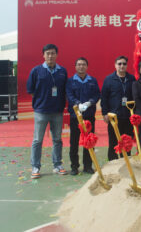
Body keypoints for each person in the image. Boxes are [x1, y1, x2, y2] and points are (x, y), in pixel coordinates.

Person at [27, 44, 68, 179]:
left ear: (57, 55)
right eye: (48, 53)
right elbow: (31, 90)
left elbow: (64, 90)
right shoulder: (36, 71)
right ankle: (35, 167)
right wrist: (41, 102)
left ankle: (57, 165)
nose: (50, 56)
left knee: (57, 139)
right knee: (38, 140)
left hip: (57, 111)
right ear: (43, 55)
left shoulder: (62, 71)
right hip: (41, 111)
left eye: (53, 53)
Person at [66, 57, 100, 175]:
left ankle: (88, 166)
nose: (81, 66)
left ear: (87, 66)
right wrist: (78, 104)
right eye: (79, 64)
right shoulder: (70, 81)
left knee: (89, 141)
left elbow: (97, 95)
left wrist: (89, 102)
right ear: (75, 67)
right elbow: (69, 95)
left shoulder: (92, 80)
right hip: (76, 117)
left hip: (89, 116)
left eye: (83, 64)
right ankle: (74, 166)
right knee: (74, 142)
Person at [101, 56, 136, 161]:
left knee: (127, 141)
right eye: (119, 64)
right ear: (115, 65)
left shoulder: (132, 79)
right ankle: (112, 163)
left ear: (127, 65)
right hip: (114, 116)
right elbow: (104, 97)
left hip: (128, 116)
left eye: (124, 64)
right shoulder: (109, 79)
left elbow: (134, 97)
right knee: (113, 142)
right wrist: (104, 113)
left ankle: (126, 161)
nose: (122, 66)